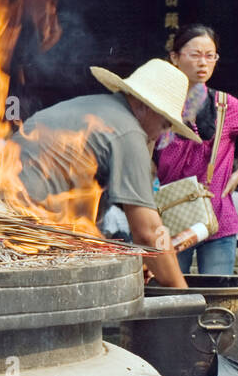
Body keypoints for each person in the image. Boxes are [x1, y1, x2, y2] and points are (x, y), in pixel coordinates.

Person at [15, 58, 199, 289]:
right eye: (164, 124)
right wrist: (185, 298)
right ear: (144, 106)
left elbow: (84, 220)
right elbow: (149, 234)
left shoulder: (96, 108)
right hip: (19, 225)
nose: (161, 135)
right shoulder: (128, 131)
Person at [155, 24, 238, 275]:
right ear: (174, 57)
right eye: (195, 54)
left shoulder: (225, 105)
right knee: (169, 298)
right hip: (170, 218)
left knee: (216, 299)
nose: (203, 63)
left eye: (210, 55)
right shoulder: (158, 103)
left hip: (217, 219)